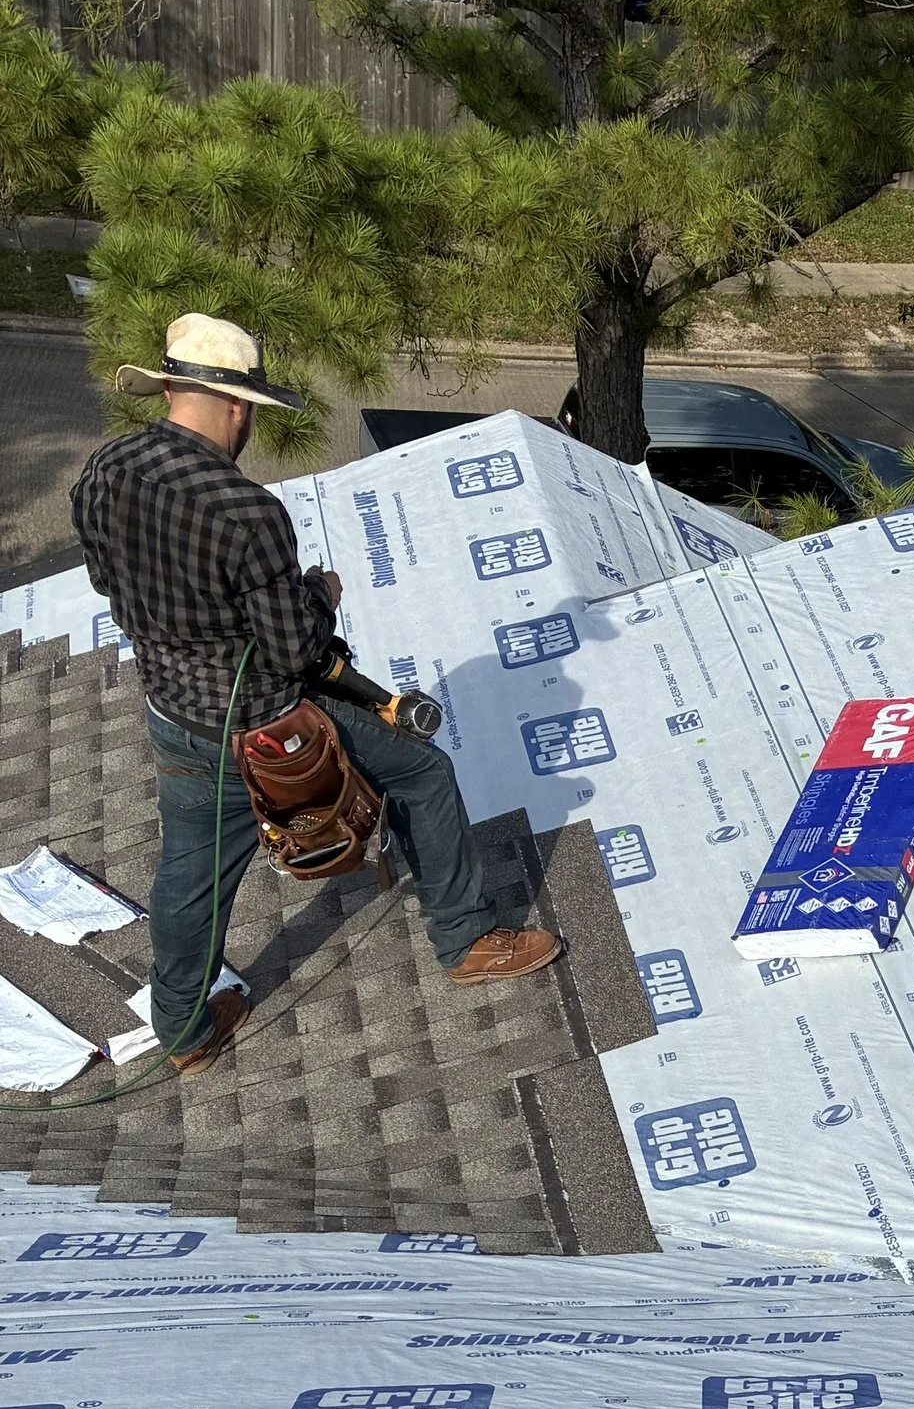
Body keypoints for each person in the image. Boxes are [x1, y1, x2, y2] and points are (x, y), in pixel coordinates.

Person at [70, 312, 560, 1077]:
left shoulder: (106, 468)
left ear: (168, 389)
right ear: (238, 408)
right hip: (268, 729)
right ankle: (467, 941)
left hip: (172, 714)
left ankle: (184, 1033)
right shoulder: (245, 512)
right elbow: (294, 650)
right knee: (424, 773)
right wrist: (319, 595)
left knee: (189, 876)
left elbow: (106, 579)